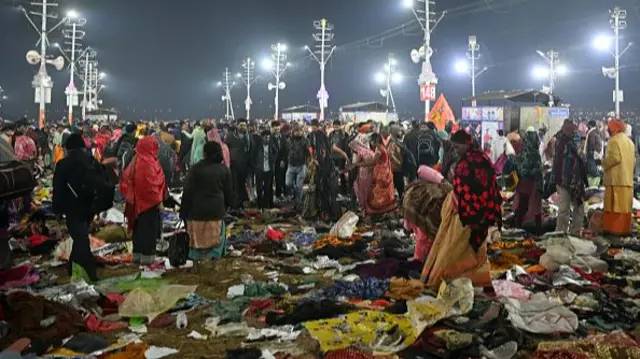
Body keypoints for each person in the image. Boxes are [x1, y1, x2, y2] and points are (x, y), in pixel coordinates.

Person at [420, 130, 501, 289]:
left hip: (466, 215)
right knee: (472, 251)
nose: (456, 151)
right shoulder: (480, 158)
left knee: (454, 250)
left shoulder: (470, 162)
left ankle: (451, 281)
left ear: (467, 143)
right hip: (475, 212)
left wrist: (461, 203)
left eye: (458, 147)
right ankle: (473, 281)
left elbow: (474, 189)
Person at [53, 133, 101, 281]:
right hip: (90, 206)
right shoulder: (92, 161)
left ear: (68, 148)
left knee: (81, 239)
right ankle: (73, 267)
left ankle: (90, 272)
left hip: (73, 207)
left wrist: (58, 211)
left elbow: (58, 189)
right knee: (81, 237)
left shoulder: (63, 165)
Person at [181, 142, 233, 261]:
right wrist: (226, 208)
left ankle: (196, 263)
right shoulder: (224, 170)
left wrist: (183, 212)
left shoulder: (195, 169)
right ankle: (213, 261)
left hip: (196, 211)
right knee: (216, 239)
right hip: (216, 211)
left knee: (196, 240)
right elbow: (229, 194)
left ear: (204, 153)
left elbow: (188, 192)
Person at [120, 136, 167, 265]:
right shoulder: (147, 163)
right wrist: (159, 202)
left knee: (138, 231)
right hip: (149, 205)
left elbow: (125, 181)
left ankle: (137, 257)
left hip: (137, 204)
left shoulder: (135, 160)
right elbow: (151, 186)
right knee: (148, 232)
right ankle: (147, 261)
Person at [552, 120, 587, 234]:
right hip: (572, 180)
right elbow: (582, 156)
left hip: (562, 179)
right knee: (578, 207)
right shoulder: (571, 143)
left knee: (563, 209)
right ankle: (574, 232)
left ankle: (561, 233)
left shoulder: (559, 142)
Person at [602, 119, 636, 236]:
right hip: (627, 180)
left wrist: (603, 163)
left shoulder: (614, 141)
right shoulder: (630, 142)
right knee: (625, 208)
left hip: (615, 181)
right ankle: (625, 230)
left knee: (614, 208)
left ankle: (614, 232)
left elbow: (615, 158)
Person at [350, 133, 396, 216]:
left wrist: (357, 164)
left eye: (371, 141)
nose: (370, 143)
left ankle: (378, 211)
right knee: (383, 193)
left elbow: (372, 162)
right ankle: (383, 210)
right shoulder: (380, 147)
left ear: (375, 141)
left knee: (378, 193)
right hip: (384, 171)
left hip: (381, 174)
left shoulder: (378, 150)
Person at [514, 127, 544, 232]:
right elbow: (538, 170)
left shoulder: (521, 151)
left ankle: (518, 227)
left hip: (522, 183)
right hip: (532, 184)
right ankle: (538, 230)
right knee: (536, 207)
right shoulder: (535, 154)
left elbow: (519, 166)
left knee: (522, 205)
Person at [225, 119, 253, 209]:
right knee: (234, 185)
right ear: (237, 126)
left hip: (245, 165)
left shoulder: (248, 137)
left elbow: (251, 151)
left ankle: (241, 203)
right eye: (241, 125)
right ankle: (235, 204)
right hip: (234, 165)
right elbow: (226, 149)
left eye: (244, 125)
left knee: (242, 185)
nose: (243, 127)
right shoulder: (230, 136)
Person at [251, 130, 277, 210]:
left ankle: (266, 206)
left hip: (269, 170)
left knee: (267, 189)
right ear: (262, 137)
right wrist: (255, 167)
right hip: (259, 170)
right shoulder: (257, 146)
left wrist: (273, 162)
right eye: (265, 137)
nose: (267, 139)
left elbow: (276, 152)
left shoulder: (271, 145)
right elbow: (252, 157)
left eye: (268, 138)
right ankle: (260, 205)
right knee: (259, 189)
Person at [286, 124, 309, 210]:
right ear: (293, 132)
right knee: (288, 183)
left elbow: (309, 152)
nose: (298, 132)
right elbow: (285, 151)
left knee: (299, 186)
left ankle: (298, 203)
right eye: (296, 131)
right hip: (291, 165)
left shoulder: (305, 141)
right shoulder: (289, 140)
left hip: (301, 166)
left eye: (299, 131)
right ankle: (295, 195)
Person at [330, 120, 349, 195]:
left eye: (337, 125)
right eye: (334, 126)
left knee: (341, 173)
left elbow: (347, 145)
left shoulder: (344, 134)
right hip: (333, 156)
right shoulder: (331, 134)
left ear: (340, 125)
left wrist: (346, 156)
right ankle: (334, 190)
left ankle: (343, 191)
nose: (335, 127)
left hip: (341, 156)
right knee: (333, 173)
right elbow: (329, 144)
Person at [584, 120, 604, 187]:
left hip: (592, 152)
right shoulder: (596, 131)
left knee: (592, 168)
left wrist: (589, 151)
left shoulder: (591, 133)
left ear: (590, 125)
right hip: (596, 152)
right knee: (592, 167)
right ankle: (594, 181)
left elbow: (592, 143)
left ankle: (595, 181)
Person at [272, 121, 288, 200]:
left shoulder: (283, 137)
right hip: (272, 161)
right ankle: (277, 194)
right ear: (272, 128)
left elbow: (285, 150)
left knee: (281, 177)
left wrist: (283, 160)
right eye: (275, 129)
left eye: (278, 129)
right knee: (274, 178)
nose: (276, 130)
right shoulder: (270, 137)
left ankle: (282, 193)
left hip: (281, 161)